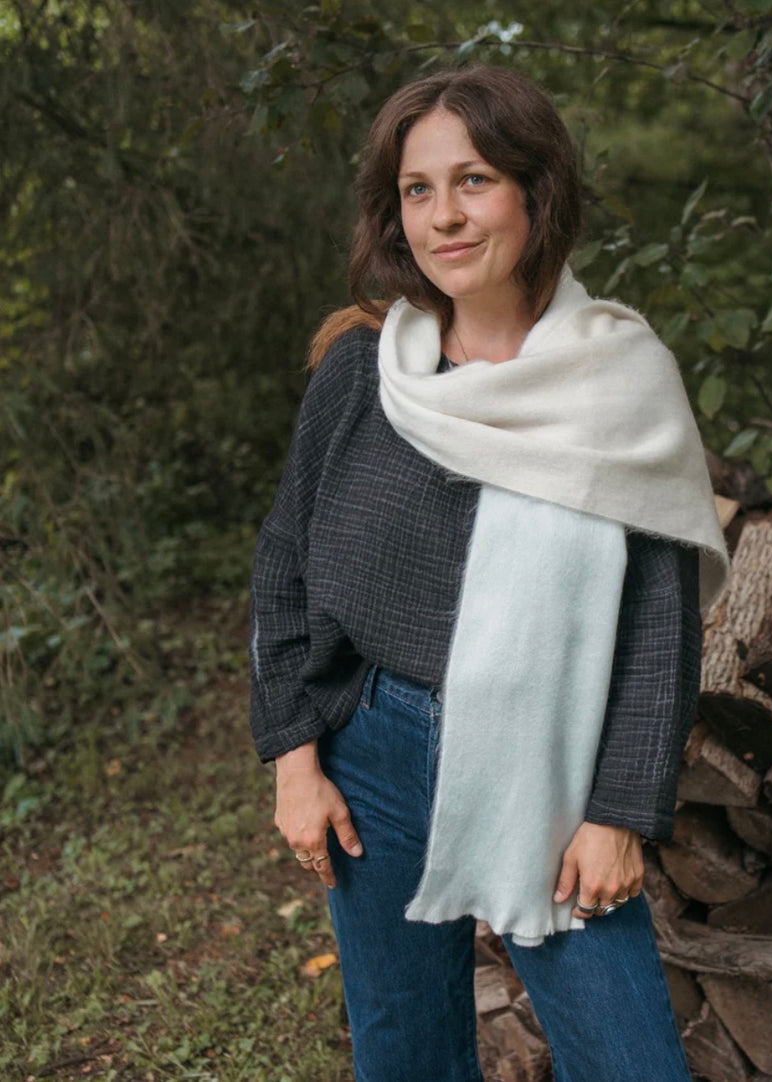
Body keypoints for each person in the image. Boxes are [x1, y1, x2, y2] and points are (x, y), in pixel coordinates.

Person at [248, 64, 728, 1082]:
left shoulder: (620, 383)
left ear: (535, 190)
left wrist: (620, 812)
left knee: (630, 1064)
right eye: (417, 190)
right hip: (372, 756)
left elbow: (659, 626)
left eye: (474, 180)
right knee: (405, 1054)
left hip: (552, 768)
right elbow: (285, 559)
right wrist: (295, 759)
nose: (445, 217)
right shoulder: (365, 371)